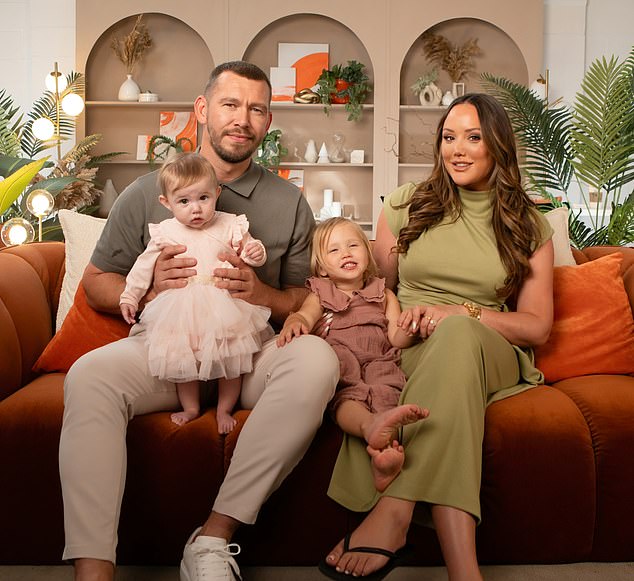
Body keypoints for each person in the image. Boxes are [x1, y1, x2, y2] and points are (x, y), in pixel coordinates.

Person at [59, 61, 339, 581]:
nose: (243, 119)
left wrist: (262, 293)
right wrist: (149, 292)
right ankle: (93, 570)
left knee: (317, 360)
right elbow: (96, 282)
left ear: (268, 121)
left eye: (257, 109)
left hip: (247, 353)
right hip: (167, 350)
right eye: (231, 104)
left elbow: (304, 295)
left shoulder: (287, 201)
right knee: (89, 376)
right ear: (203, 109)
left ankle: (212, 537)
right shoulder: (146, 192)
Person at [319, 93, 555, 581]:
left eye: (473, 138)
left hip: (490, 344)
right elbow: (372, 289)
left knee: (459, 334)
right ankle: (465, 572)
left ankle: (394, 512)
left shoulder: (529, 223)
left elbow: (536, 325)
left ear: (497, 145)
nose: (457, 149)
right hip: (411, 346)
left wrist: (461, 313)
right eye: (449, 137)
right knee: (446, 376)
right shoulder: (405, 204)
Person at [119, 152, 273, 431]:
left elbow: (250, 252)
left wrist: (255, 252)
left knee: (231, 357)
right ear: (166, 203)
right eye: (184, 201)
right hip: (182, 306)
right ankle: (190, 407)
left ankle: (225, 410)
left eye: (203, 198)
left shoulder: (230, 224)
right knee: (183, 358)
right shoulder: (166, 231)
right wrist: (130, 296)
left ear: (217, 193)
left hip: (223, 304)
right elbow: (143, 266)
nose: (196, 209)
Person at [277, 217, 429, 493]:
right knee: (347, 396)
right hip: (340, 358)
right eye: (334, 250)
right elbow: (304, 316)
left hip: (379, 359)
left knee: (388, 389)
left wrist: (411, 328)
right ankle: (368, 425)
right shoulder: (321, 293)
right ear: (322, 269)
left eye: (353, 245)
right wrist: (295, 323)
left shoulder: (384, 294)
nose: (346, 253)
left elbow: (396, 337)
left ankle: (384, 454)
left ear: (367, 253)